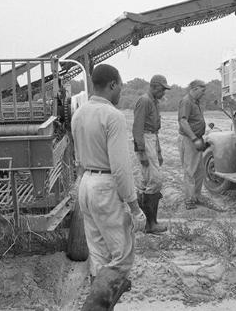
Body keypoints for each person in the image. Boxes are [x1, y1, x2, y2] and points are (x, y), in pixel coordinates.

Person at [71, 64, 146, 308]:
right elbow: (121, 169)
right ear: (112, 84)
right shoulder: (113, 116)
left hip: (86, 184)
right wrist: (134, 207)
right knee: (122, 258)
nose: (121, 91)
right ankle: (94, 308)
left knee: (99, 256)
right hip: (105, 186)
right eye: (121, 86)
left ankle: (102, 306)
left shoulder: (79, 114)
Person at [132, 74, 171, 234]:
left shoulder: (154, 102)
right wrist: (141, 152)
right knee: (154, 181)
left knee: (150, 181)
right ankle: (150, 224)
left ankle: (148, 223)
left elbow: (155, 131)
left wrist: (159, 151)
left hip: (151, 139)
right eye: (162, 89)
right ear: (154, 87)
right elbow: (138, 128)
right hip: (145, 140)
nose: (164, 93)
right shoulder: (145, 101)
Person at [178, 80, 224, 211]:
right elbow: (182, 121)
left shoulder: (195, 102)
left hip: (195, 138)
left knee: (199, 170)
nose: (203, 94)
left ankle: (196, 196)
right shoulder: (186, 101)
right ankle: (189, 200)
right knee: (190, 170)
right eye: (202, 91)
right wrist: (194, 138)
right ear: (195, 88)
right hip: (188, 139)